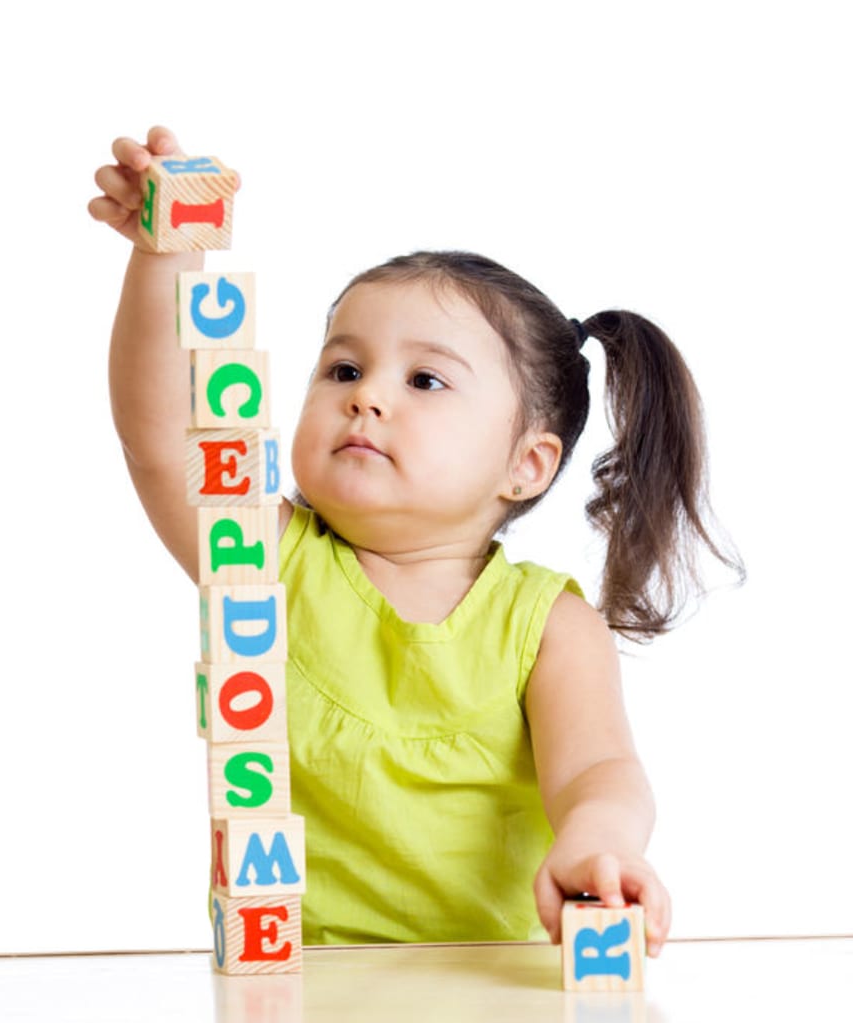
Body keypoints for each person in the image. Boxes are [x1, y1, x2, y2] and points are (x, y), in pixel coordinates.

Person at [89, 126, 741, 958]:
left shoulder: (547, 624)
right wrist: (163, 258)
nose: (368, 400)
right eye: (343, 370)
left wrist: (598, 840)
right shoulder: (267, 558)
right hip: (298, 985)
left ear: (526, 463)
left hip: (495, 990)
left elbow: (598, 770)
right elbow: (160, 438)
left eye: (424, 380)